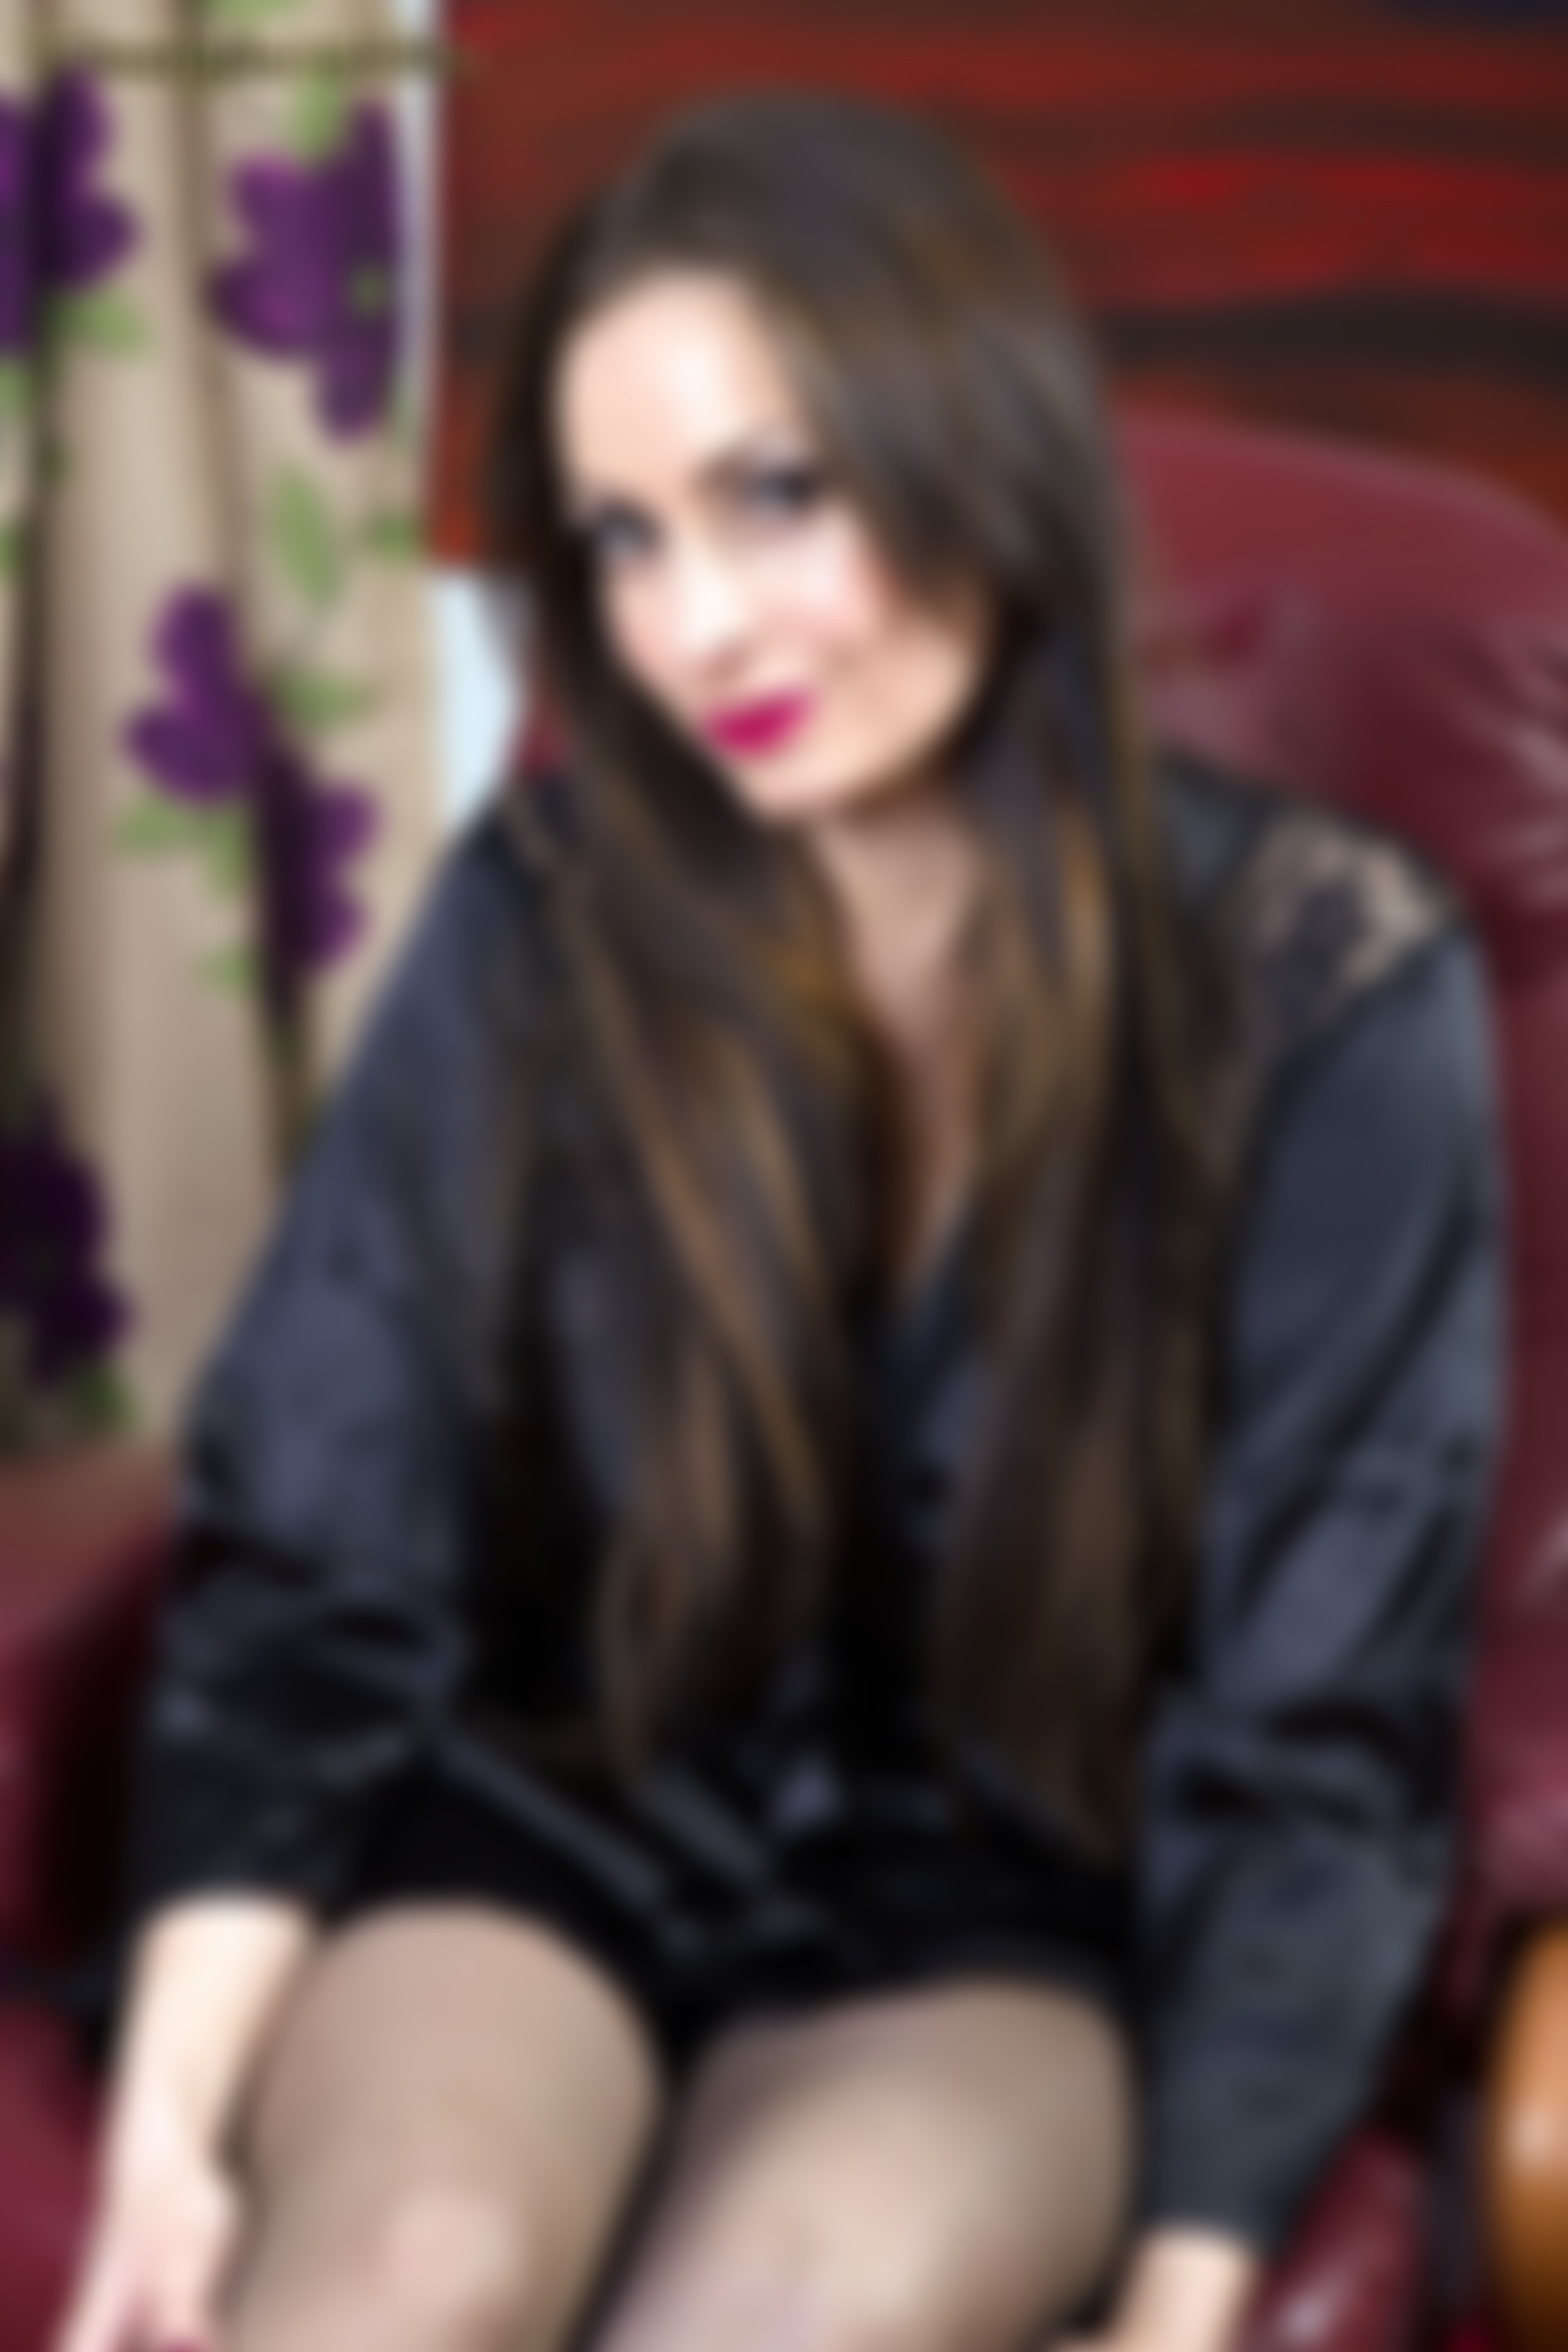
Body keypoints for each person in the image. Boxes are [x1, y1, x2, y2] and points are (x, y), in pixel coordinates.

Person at [53, 88, 1504, 2352]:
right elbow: (317, 1551)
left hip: (1001, 1931)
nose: (696, 624)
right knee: (402, 2282)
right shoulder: (544, 916)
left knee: (777, 2314)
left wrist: (1184, 2303)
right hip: (540, 1839)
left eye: (774, 497)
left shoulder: (1329, 987)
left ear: (975, 449)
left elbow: (1319, 1733)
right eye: (623, 542)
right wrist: (168, 2125)